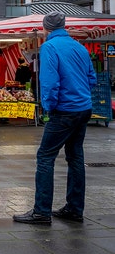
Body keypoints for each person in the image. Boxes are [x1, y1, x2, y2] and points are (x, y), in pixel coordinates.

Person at [13, 11, 97, 225]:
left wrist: (48, 108)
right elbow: (92, 79)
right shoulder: (79, 47)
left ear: (45, 28)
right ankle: (74, 208)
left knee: (45, 157)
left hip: (64, 110)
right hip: (83, 107)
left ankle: (41, 211)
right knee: (76, 157)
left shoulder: (49, 47)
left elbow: (50, 83)